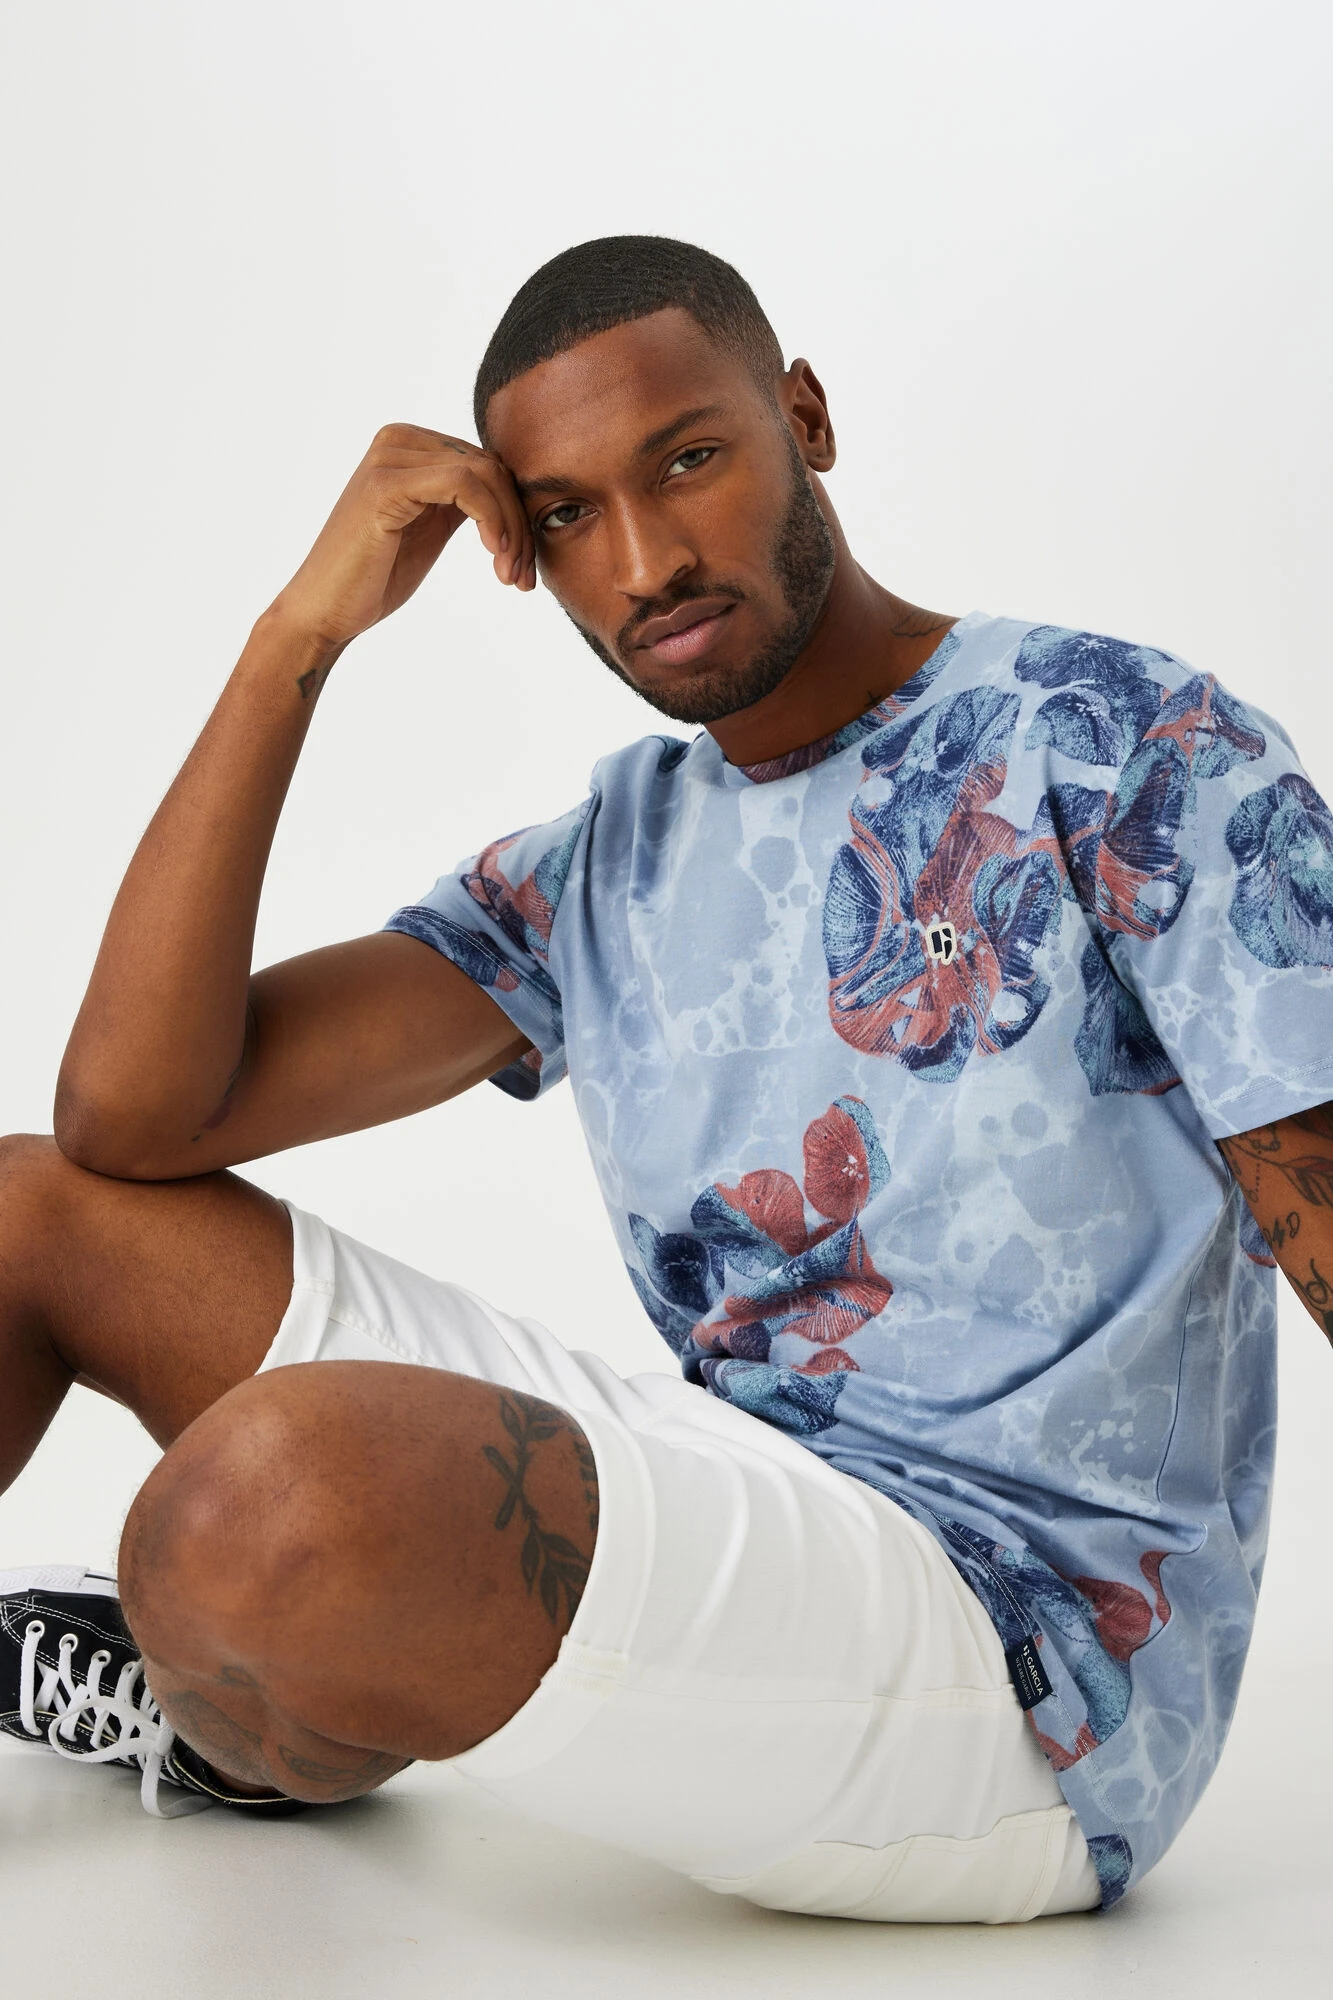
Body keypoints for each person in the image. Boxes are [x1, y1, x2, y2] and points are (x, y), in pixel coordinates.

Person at [2, 236, 1330, 1924]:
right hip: (740, 1497)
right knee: (31, 1213)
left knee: (257, 1514)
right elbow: (134, 1119)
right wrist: (295, 639)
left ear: (805, 420)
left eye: (689, 460)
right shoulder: (604, 862)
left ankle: (270, 1695)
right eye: (568, 514)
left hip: (1028, 1666)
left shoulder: (1122, 744)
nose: (645, 561)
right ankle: (284, 1684)